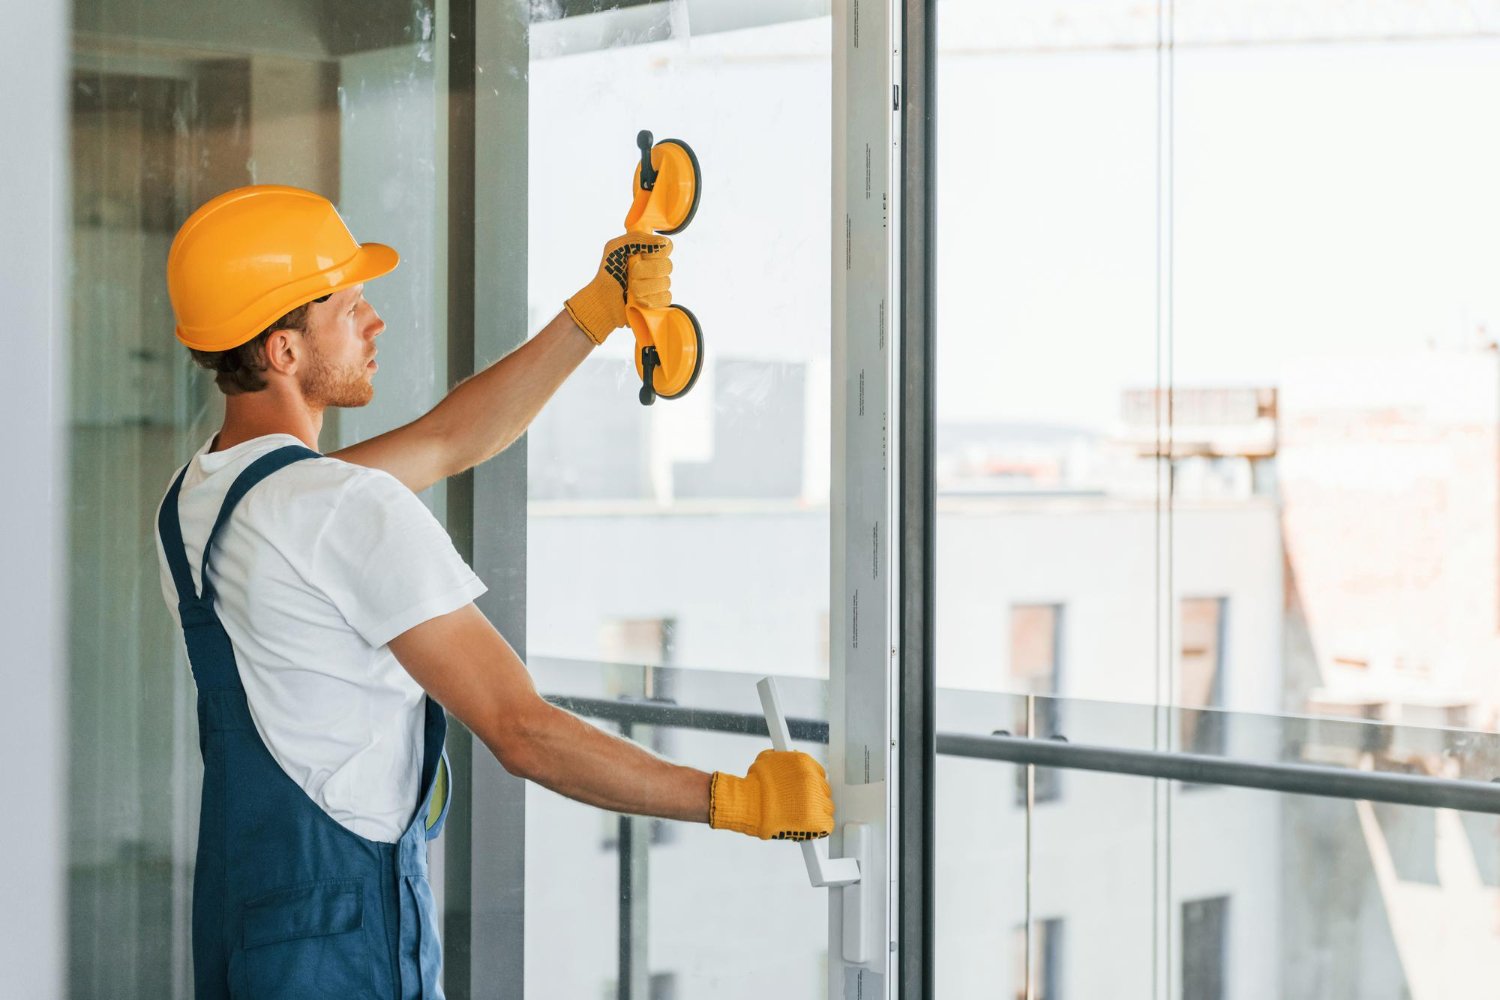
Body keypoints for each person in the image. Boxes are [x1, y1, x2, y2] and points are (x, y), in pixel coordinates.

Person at [154, 184, 834, 1000]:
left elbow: (449, 440)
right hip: (352, 945)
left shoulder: (200, 498)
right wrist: (736, 798)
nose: (376, 323)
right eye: (350, 306)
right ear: (285, 350)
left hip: (251, 932)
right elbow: (523, 731)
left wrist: (595, 311)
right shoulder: (337, 507)